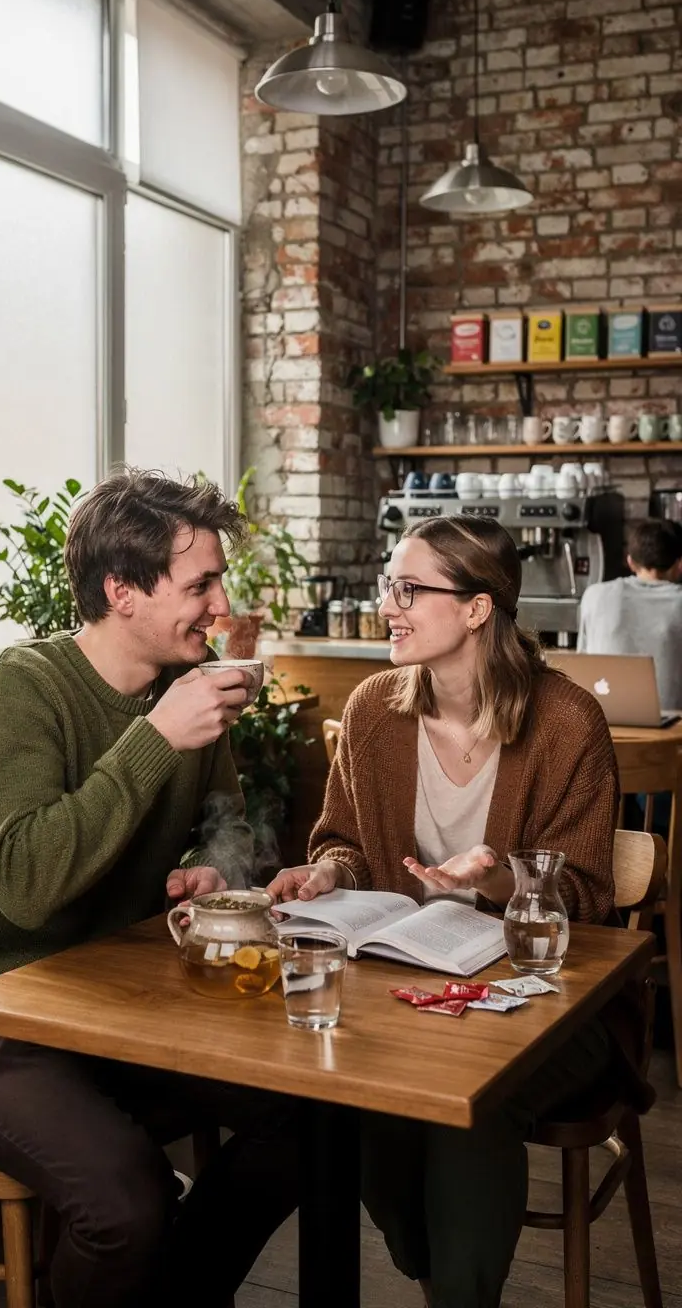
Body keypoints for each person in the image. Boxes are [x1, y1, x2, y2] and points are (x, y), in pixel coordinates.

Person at [0, 467, 298, 1308]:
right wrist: (155, 738)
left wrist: (216, 865)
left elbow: (225, 824)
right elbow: (30, 889)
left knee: (314, 1119)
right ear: (122, 591)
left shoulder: (187, 692)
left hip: (110, 1011)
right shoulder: (17, 690)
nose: (222, 606)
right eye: (201, 584)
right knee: (127, 1203)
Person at [267, 514, 649, 1308]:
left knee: (468, 1105)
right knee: (352, 1098)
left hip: (550, 1004)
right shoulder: (374, 710)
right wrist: (326, 875)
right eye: (388, 584)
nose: (388, 605)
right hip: (409, 992)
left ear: (478, 608)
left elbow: (587, 895)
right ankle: (439, 1277)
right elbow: (343, 842)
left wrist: (500, 882)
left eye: (410, 588)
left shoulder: (566, 720)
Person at [578, 515, 682, 713]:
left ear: (631, 562)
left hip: (605, 725)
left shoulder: (594, 595)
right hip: (672, 734)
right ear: (679, 565)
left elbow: (582, 662)